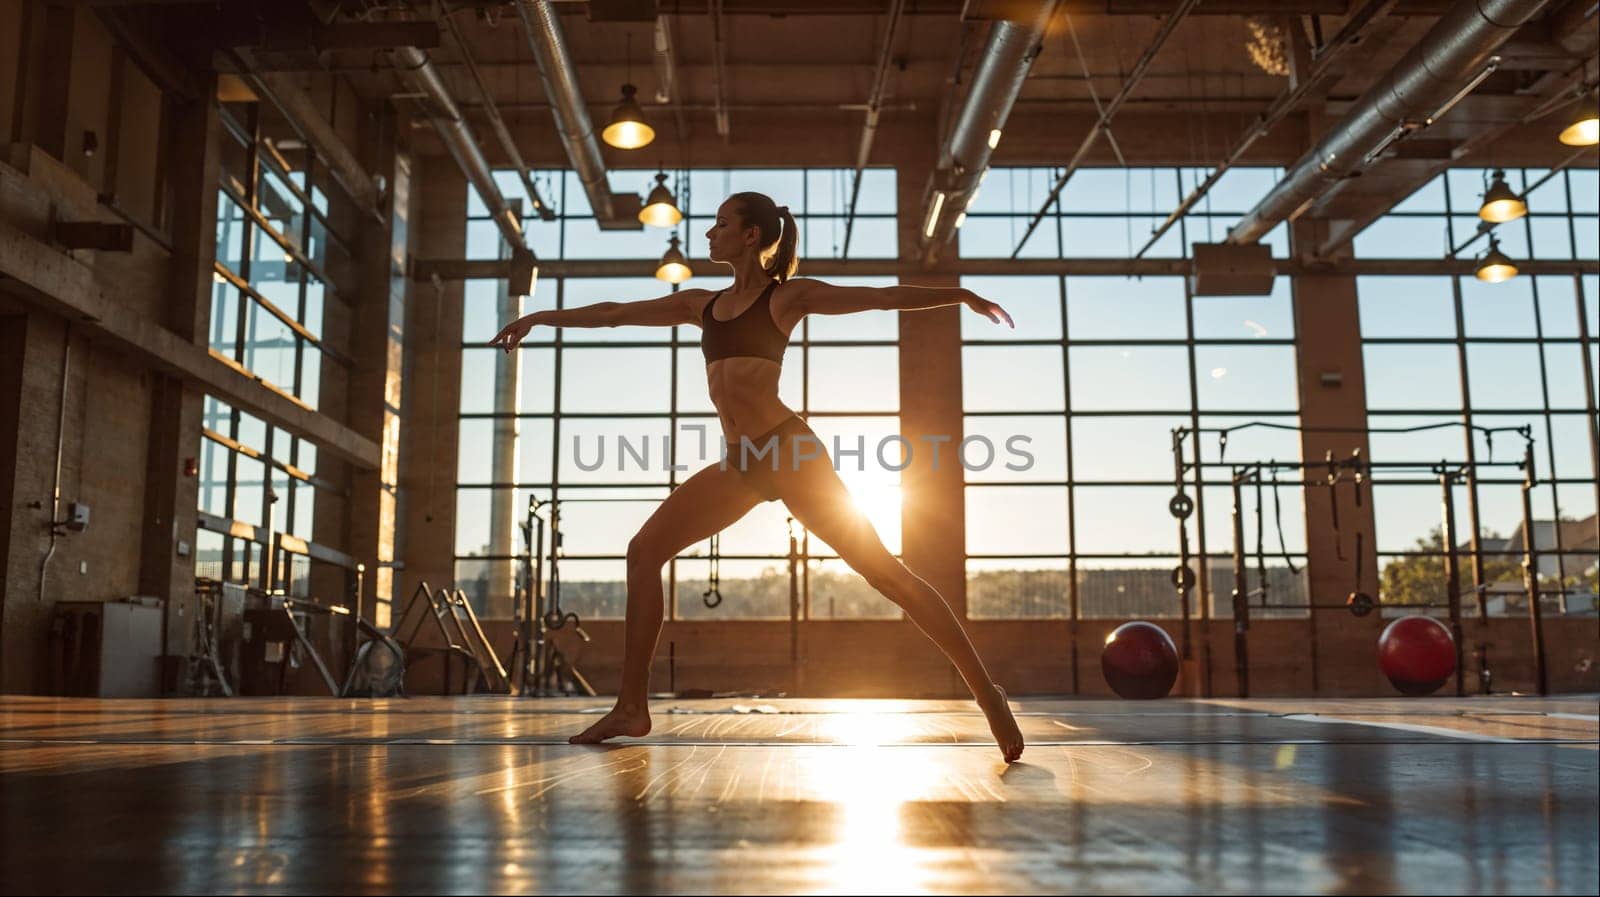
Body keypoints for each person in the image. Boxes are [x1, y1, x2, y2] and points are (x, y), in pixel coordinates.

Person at [490, 191, 1024, 762]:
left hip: (790, 451)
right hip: (742, 462)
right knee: (644, 551)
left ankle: (986, 693)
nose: (708, 234)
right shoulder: (700, 304)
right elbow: (615, 312)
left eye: (721, 225)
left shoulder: (787, 296)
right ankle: (631, 707)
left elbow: (879, 296)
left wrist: (959, 294)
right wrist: (542, 317)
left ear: (750, 236)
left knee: (883, 572)